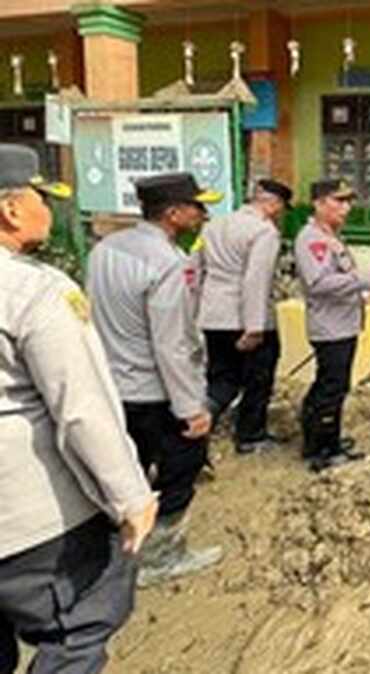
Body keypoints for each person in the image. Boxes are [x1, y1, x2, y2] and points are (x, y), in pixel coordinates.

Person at [0, 144, 157, 674]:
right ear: (12, 209)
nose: (51, 208)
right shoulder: (32, 290)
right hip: (32, 522)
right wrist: (130, 497)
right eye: (43, 196)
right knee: (78, 630)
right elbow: (81, 407)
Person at [88, 172, 224, 588]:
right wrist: (192, 409)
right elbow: (172, 345)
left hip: (113, 387)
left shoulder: (106, 250)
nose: (203, 214)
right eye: (196, 207)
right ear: (173, 214)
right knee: (181, 469)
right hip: (155, 392)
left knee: (126, 472)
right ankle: (161, 556)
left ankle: (115, 554)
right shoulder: (167, 263)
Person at [295, 179, 370, 472]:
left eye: (348, 201)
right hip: (331, 327)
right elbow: (319, 283)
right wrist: (366, 279)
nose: (346, 208)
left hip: (342, 323)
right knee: (332, 388)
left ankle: (324, 440)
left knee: (332, 385)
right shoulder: (311, 239)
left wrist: (362, 289)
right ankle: (323, 452)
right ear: (319, 203)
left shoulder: (329, 237)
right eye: (338, 201)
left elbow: (338, 278)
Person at [195, 179, 291, 454]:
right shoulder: (264, 232)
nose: (280, 213)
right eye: (281, 207)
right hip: (245, 316)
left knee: (221, 377)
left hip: (214, 315)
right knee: (258, 378)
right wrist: (255, 326)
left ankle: (194, 425)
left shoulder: (214, 226)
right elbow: (255, 280)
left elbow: (198, 271)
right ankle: (250, 435)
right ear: (272, 204)